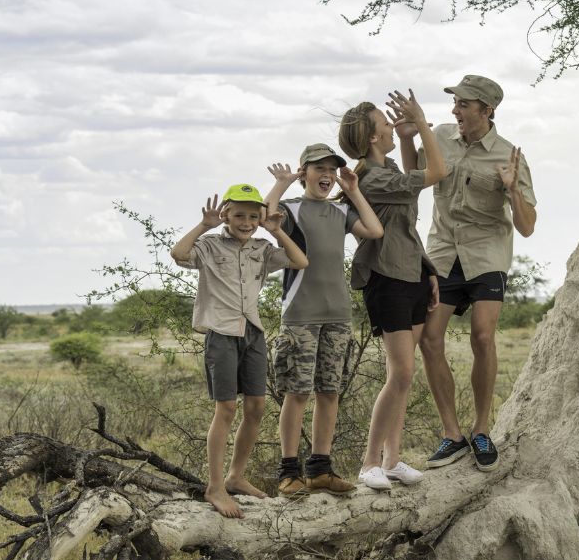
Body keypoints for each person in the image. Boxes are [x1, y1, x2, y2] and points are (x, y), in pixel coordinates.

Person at [394, 74, 537, 472]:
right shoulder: (439, 136)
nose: (454, 111)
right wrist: (408, 138)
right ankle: (452, 434)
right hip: (442, 252)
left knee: (483, 335)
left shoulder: (509, 155)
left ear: (486, 111)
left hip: (487, 251)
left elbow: (527, 226)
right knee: (430, 339)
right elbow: (414, 180)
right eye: (454, 103)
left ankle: (480, 429)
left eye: (463, 104)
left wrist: (511, 190)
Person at [170, 184, 308, 518]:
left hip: (253, 332)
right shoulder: (209, 245)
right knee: (227, 408)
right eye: (238, 215)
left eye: (252, 216)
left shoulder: (261, 248)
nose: (245, 222)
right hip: (221, 333)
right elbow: (178, 253)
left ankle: (235, 476)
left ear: (259, 218)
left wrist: (275, 230)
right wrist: (205, 225)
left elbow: (299, 260)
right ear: (226, 216)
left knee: (257, 407)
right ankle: (215, 487)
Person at [338, 90, 446, 490]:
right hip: (386, 279)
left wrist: (428, 270)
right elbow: (436, 174)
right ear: (371, 137)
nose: (389, 126)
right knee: (401, 373)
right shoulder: (372, 177)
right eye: (385, 123)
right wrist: (419, 124)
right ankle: (369, 464)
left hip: (412, 273)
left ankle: (393, 459)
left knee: (402, 374)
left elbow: (408, 218)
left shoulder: (390, 168)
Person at [263, 143, 383, 497]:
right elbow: (266, 217)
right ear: (305, 173)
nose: (327, 175)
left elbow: (374, 231)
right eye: (319, 169)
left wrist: (354, 191)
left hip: (338, 315)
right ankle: (288, 472)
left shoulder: (340, 211)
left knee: (329, 391)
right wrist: (282, 184)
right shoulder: (292, 208)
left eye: (332, 169)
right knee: (297, 393)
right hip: (300, 315)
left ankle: (320, 468)